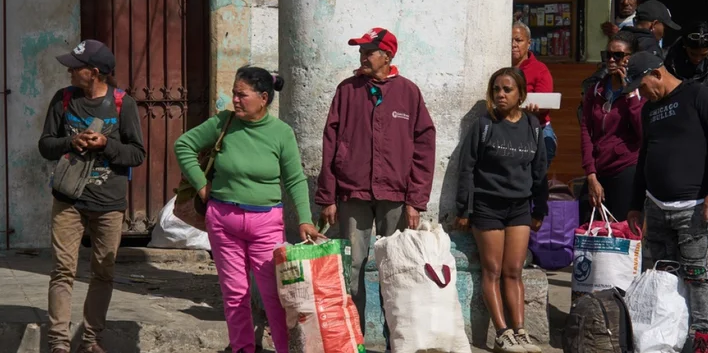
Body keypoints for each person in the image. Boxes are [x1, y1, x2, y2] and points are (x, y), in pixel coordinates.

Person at [174, 66, 320, 353]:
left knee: (273, 297)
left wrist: (305, 219)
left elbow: (294, 179)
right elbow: (184, 145)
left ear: (263, 97)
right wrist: (203, 186)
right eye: (234, 94)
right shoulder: (223, 123)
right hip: (222, 221)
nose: (235, 101)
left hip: (266, 223)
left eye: (242, 95)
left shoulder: (281, 133)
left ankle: (282, 348)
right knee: (235, 295)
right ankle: (243, 348)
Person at [316, 28, 436, 346]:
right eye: (361, 51)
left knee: (396, 268)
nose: (362, 56)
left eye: (369, 51)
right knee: (352, 266)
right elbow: (330, 144)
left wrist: (416, 201)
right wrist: (327, 196)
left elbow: (424, 147)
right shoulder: (347, 91)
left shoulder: (408, 93)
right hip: (352, 193)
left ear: (388, 56)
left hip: (396, 197)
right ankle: (353, 340)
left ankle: (397, 339)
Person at [38, 40, 145, 353]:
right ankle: (58, 343)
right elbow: (45, 145)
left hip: (109, 204)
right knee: (62, 270)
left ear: (95, 72)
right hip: (67, 199)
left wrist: (105, 145)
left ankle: (91, 339)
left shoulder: (124, 104)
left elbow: (136, 154)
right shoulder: (64, 99)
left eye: (76, 66)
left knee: (103, 272)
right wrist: (72, 143)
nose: (69, 70)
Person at [624, 52, 708, 353]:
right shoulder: (649, 110)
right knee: (662, 274)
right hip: (656, 206)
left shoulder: (697, 95)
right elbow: (644, 156)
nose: (640, 93)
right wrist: (636, 203)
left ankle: (701, 337)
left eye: (642, 85)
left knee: (697, 274)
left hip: (696, 206)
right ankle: (665, 335)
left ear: (656, 74)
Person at [455, 67, 549, 353]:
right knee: (492, 270)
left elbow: (540, 170)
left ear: (520, 93)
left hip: (519, 207)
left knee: (514, 270)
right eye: (496, 89)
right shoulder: (484, 125)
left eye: (507, 89)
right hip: (487, 207)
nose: (500, 95)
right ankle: (502, 333)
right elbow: (466, 168)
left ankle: (521, 332)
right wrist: (463, 209)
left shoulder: (532, 126)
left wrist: (539, 209)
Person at [579, 31, 644, 222]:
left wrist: (630, 94)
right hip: (598, 169)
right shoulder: (596, 89)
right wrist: (590, 174)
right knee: (588, 226)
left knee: (623, 231)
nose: (611, 60)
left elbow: (642, 132)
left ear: (630, 59)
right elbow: (586, 131)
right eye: (608, 55)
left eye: (618, 55)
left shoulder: (642, 89)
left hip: (625, 169)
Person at [512, 21, 557, 167]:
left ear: (529, 43)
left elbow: (545, 102)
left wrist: (532, 109)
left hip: (538, 128)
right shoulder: (501, 67)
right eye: (510, 40)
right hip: (509, 129)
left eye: (518, 40)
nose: (513, 44)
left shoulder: (540, 69)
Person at [664, 21, 708, 102]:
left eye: (703, 55)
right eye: (693, 54)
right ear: (685, 46)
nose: (698, 59)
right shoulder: (666, 59)